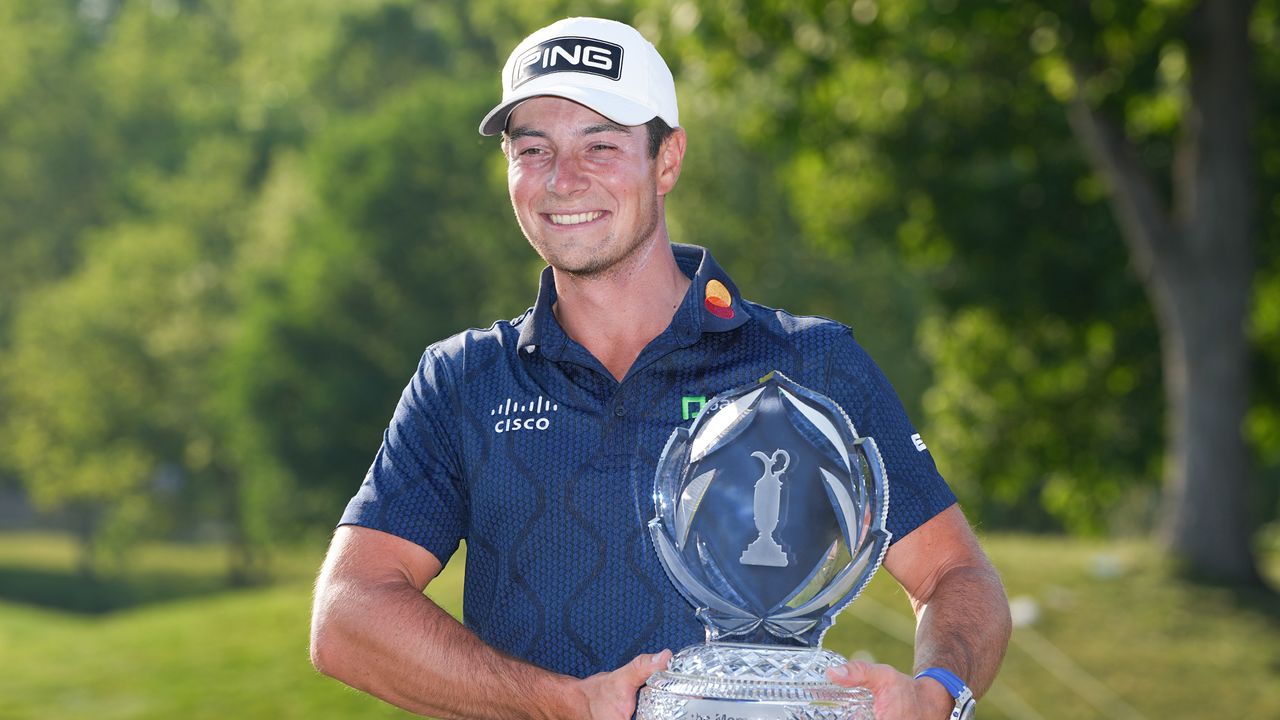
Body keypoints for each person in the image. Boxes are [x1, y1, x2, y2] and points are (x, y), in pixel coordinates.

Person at [310, 16, 1011, 720]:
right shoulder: (463, 381)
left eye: (602, 146)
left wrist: (937, 695)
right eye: (533, 149)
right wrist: (564, 705)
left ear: (667, 160)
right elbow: (347, 618)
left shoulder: (811, 363)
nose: (564, 179)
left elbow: (955, 572)